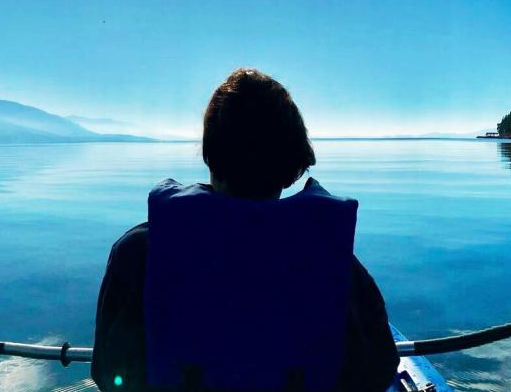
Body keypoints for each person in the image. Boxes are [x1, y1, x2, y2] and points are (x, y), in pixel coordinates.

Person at [91, 68, 399, 391]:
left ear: (210, 155)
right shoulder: (334, 264)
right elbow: (376, 371)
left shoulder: (139, 254)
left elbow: (110, 372)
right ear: (292, 165)